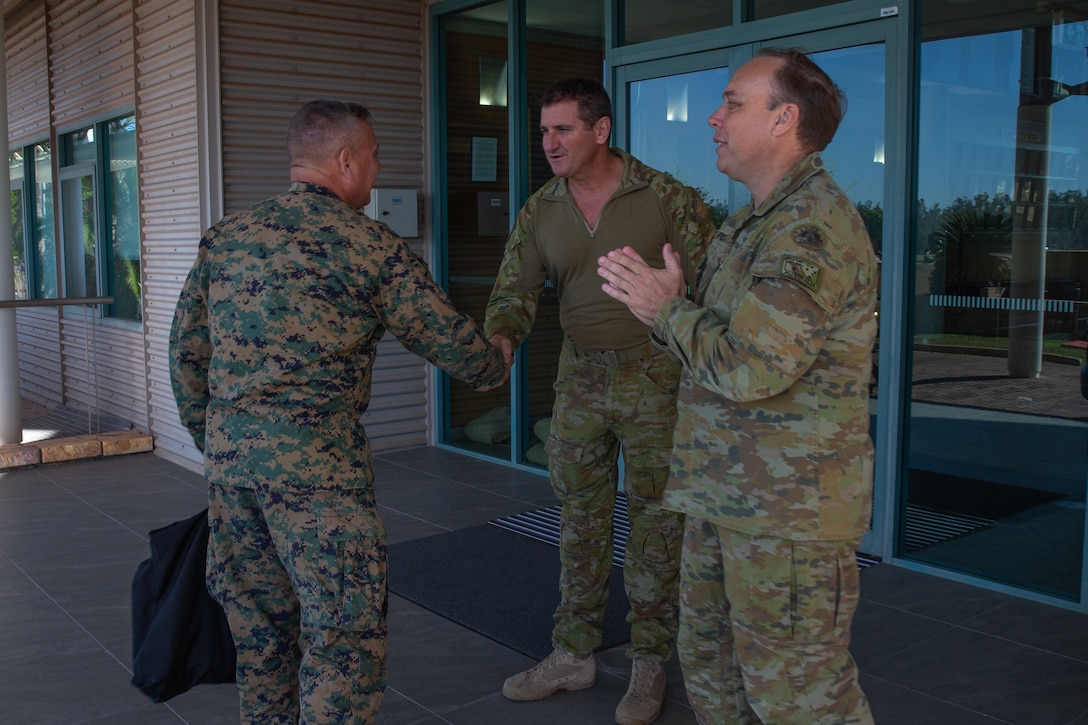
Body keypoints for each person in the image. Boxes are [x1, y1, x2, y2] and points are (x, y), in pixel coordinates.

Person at [168, 99, 508, 724]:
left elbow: (187, 358)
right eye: (374, 156)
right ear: (345, 160)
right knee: (343, 637)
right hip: (320, 477)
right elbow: (464, 356)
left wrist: (218, 441)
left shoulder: (228, 237)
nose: (378, 170)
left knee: (262, 632)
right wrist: (499, 354)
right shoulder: (370, 245)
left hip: (233, 472)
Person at [597, 48, 878, 724]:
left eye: (733, 103)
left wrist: (665, 310)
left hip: (786, 522)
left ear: (784, 118)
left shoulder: (808, 230)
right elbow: (721, 344)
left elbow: (752, 367)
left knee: (802, 702)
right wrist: (670, 308)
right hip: (726, 498)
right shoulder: (752, 221)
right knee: (716, 680)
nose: (712, 118)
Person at [485, 77, 717, 725]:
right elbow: (514, 288)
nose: (549, 142)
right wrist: (502, 332)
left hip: (656, 377)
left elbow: (713, 287)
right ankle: (573, 652)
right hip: (579, 377)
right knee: (579, 519)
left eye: (563, 129)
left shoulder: (667, 198)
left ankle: (648, 662)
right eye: (544, 130)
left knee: (654, 523)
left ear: (601, 130)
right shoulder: (541, 209)